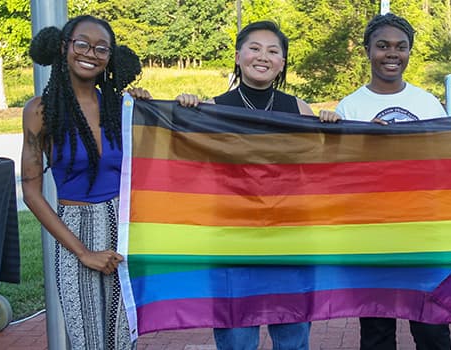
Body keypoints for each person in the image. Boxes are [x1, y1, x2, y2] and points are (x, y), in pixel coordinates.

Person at [130, 20, 335, 350]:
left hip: (289, 242)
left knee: (292, 339)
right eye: (254, 48)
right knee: (237, 341)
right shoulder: (210, 109)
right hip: (231, 244)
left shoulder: (299, 109)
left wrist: (333, 128)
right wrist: (149, 106)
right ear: (238, 56)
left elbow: (324, 169)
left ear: (282, 62)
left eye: (273, 51)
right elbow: (174, 156)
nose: (262, 57)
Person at [21, 15, 142, 349]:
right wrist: (84, 252)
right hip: (75, 234)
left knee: (122, 342)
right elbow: (31, 191)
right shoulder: (40, 111)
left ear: (111, 57)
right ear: (64, 47)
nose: (91, 53)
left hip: (125, 235)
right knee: (87, 342)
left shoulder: (123, 107)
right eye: (82, 44)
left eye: (102, 48)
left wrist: (167, 104)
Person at [332, 13, 451, 350]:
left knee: (431, 327)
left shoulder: (426, 102)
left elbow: (447, 162)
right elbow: (338, 173)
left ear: (409, 52)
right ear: (368, 51)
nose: (392, 53)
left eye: (401, 47)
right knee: (376, 329)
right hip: (372, 231)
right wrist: (363, 141)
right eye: (382, 46)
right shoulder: (351, 106)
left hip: (422, 229)